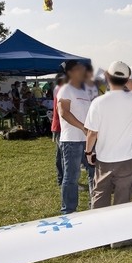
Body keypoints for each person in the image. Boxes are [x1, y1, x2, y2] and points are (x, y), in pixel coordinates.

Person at [84, 61, 132, 235]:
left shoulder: (98, 102)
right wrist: (126, 78)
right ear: (126, 79)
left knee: (100, 194)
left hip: (105, 158)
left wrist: (88, 152)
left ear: (107, 77)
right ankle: (121, 237)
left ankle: (97, 234)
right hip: (128, 158)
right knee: (123, 198)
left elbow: (92, 133)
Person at [57, 61, 95, 213]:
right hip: (71, 140)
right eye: (79, 68)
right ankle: (69, 210)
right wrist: (83, 127)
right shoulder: (65, 89)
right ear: (71, 72)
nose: (83, 70)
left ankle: (95, 206)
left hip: (87, 139)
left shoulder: (83, 91)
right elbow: (64, 112)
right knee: (72, 176)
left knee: (94, 172)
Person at [50, 75, 65, 187]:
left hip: (58, 126)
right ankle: (64, 180)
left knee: (60, 155)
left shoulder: (59, 88)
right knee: (64, 155)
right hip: (61, 126)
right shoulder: (63, 90)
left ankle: (61, 179)